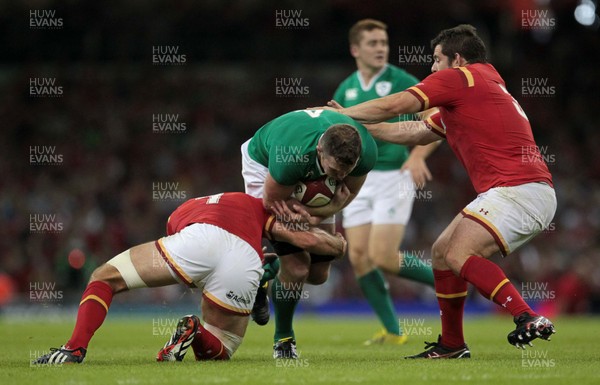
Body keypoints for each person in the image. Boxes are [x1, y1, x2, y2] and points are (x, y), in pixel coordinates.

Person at [326, 24, 557, 358]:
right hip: (521, 190)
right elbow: (415, 131)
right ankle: (451, 344)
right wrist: (358, 126)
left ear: (457, 59)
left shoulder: (460, 78)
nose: (433, 68)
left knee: (460, 254)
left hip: (517, 189)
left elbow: (399, 104)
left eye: (437, 60)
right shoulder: (480, 85)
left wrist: (345, 113)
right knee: (441, 253)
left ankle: (526, 316)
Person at [32, 192, 347, 364]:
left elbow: (191, 270)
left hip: (198, 240)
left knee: (105, 276)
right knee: (221, 349)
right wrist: (338, 244)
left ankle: (74, 348)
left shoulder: (179, 213)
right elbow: (304, 240)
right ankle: (195, 329)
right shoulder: (256, 206)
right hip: (245, 260)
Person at [333, 19, 439, 345]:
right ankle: (394, 332)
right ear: (355, 49)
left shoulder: (401, 80)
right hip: (358, 181)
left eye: (384, 42)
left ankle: (451, 278)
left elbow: (437, 119)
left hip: (395, 176)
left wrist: (418, 156)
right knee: (359, 257)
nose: (381, 48)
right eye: (373, 43)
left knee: (383, 256)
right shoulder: (346, 88)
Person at [240, 109, 377, 358]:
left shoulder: (365, 151)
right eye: (335, 171)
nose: (340, 177)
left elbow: (348, 194)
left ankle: (265, 273)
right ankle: (283, 339)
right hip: (265, 169)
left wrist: (316, 215)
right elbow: (272, 201)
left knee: (318, 274)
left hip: (305, 183)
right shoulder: (289, 158)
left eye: (346, 171)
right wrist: (302, 221)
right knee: (298, 267)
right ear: (320, 151)